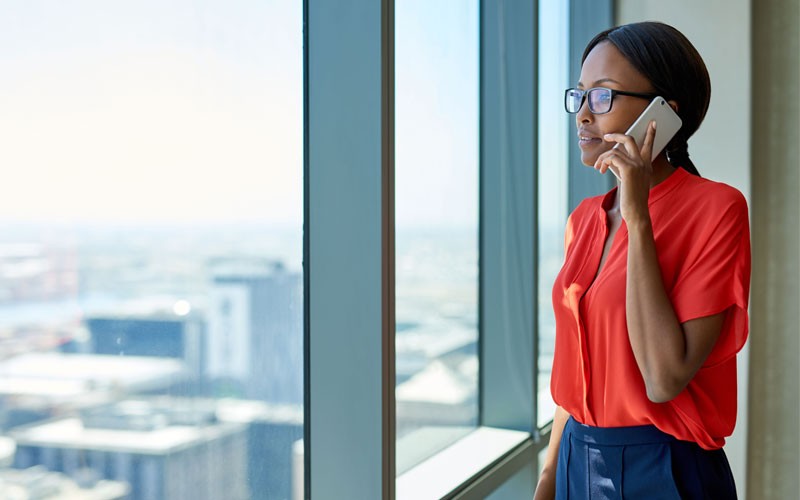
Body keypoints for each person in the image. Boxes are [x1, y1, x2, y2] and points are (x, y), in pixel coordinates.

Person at [534, 21, 751, 500]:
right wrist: (548, 478)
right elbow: (577, 369)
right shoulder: (584, 219)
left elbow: (663, 377)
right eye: (581, 95)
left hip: (666, 468)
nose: (583, 116)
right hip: (574, 459)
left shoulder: (717, 209)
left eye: (603, 96)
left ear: (663, 114)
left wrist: (638, 217)